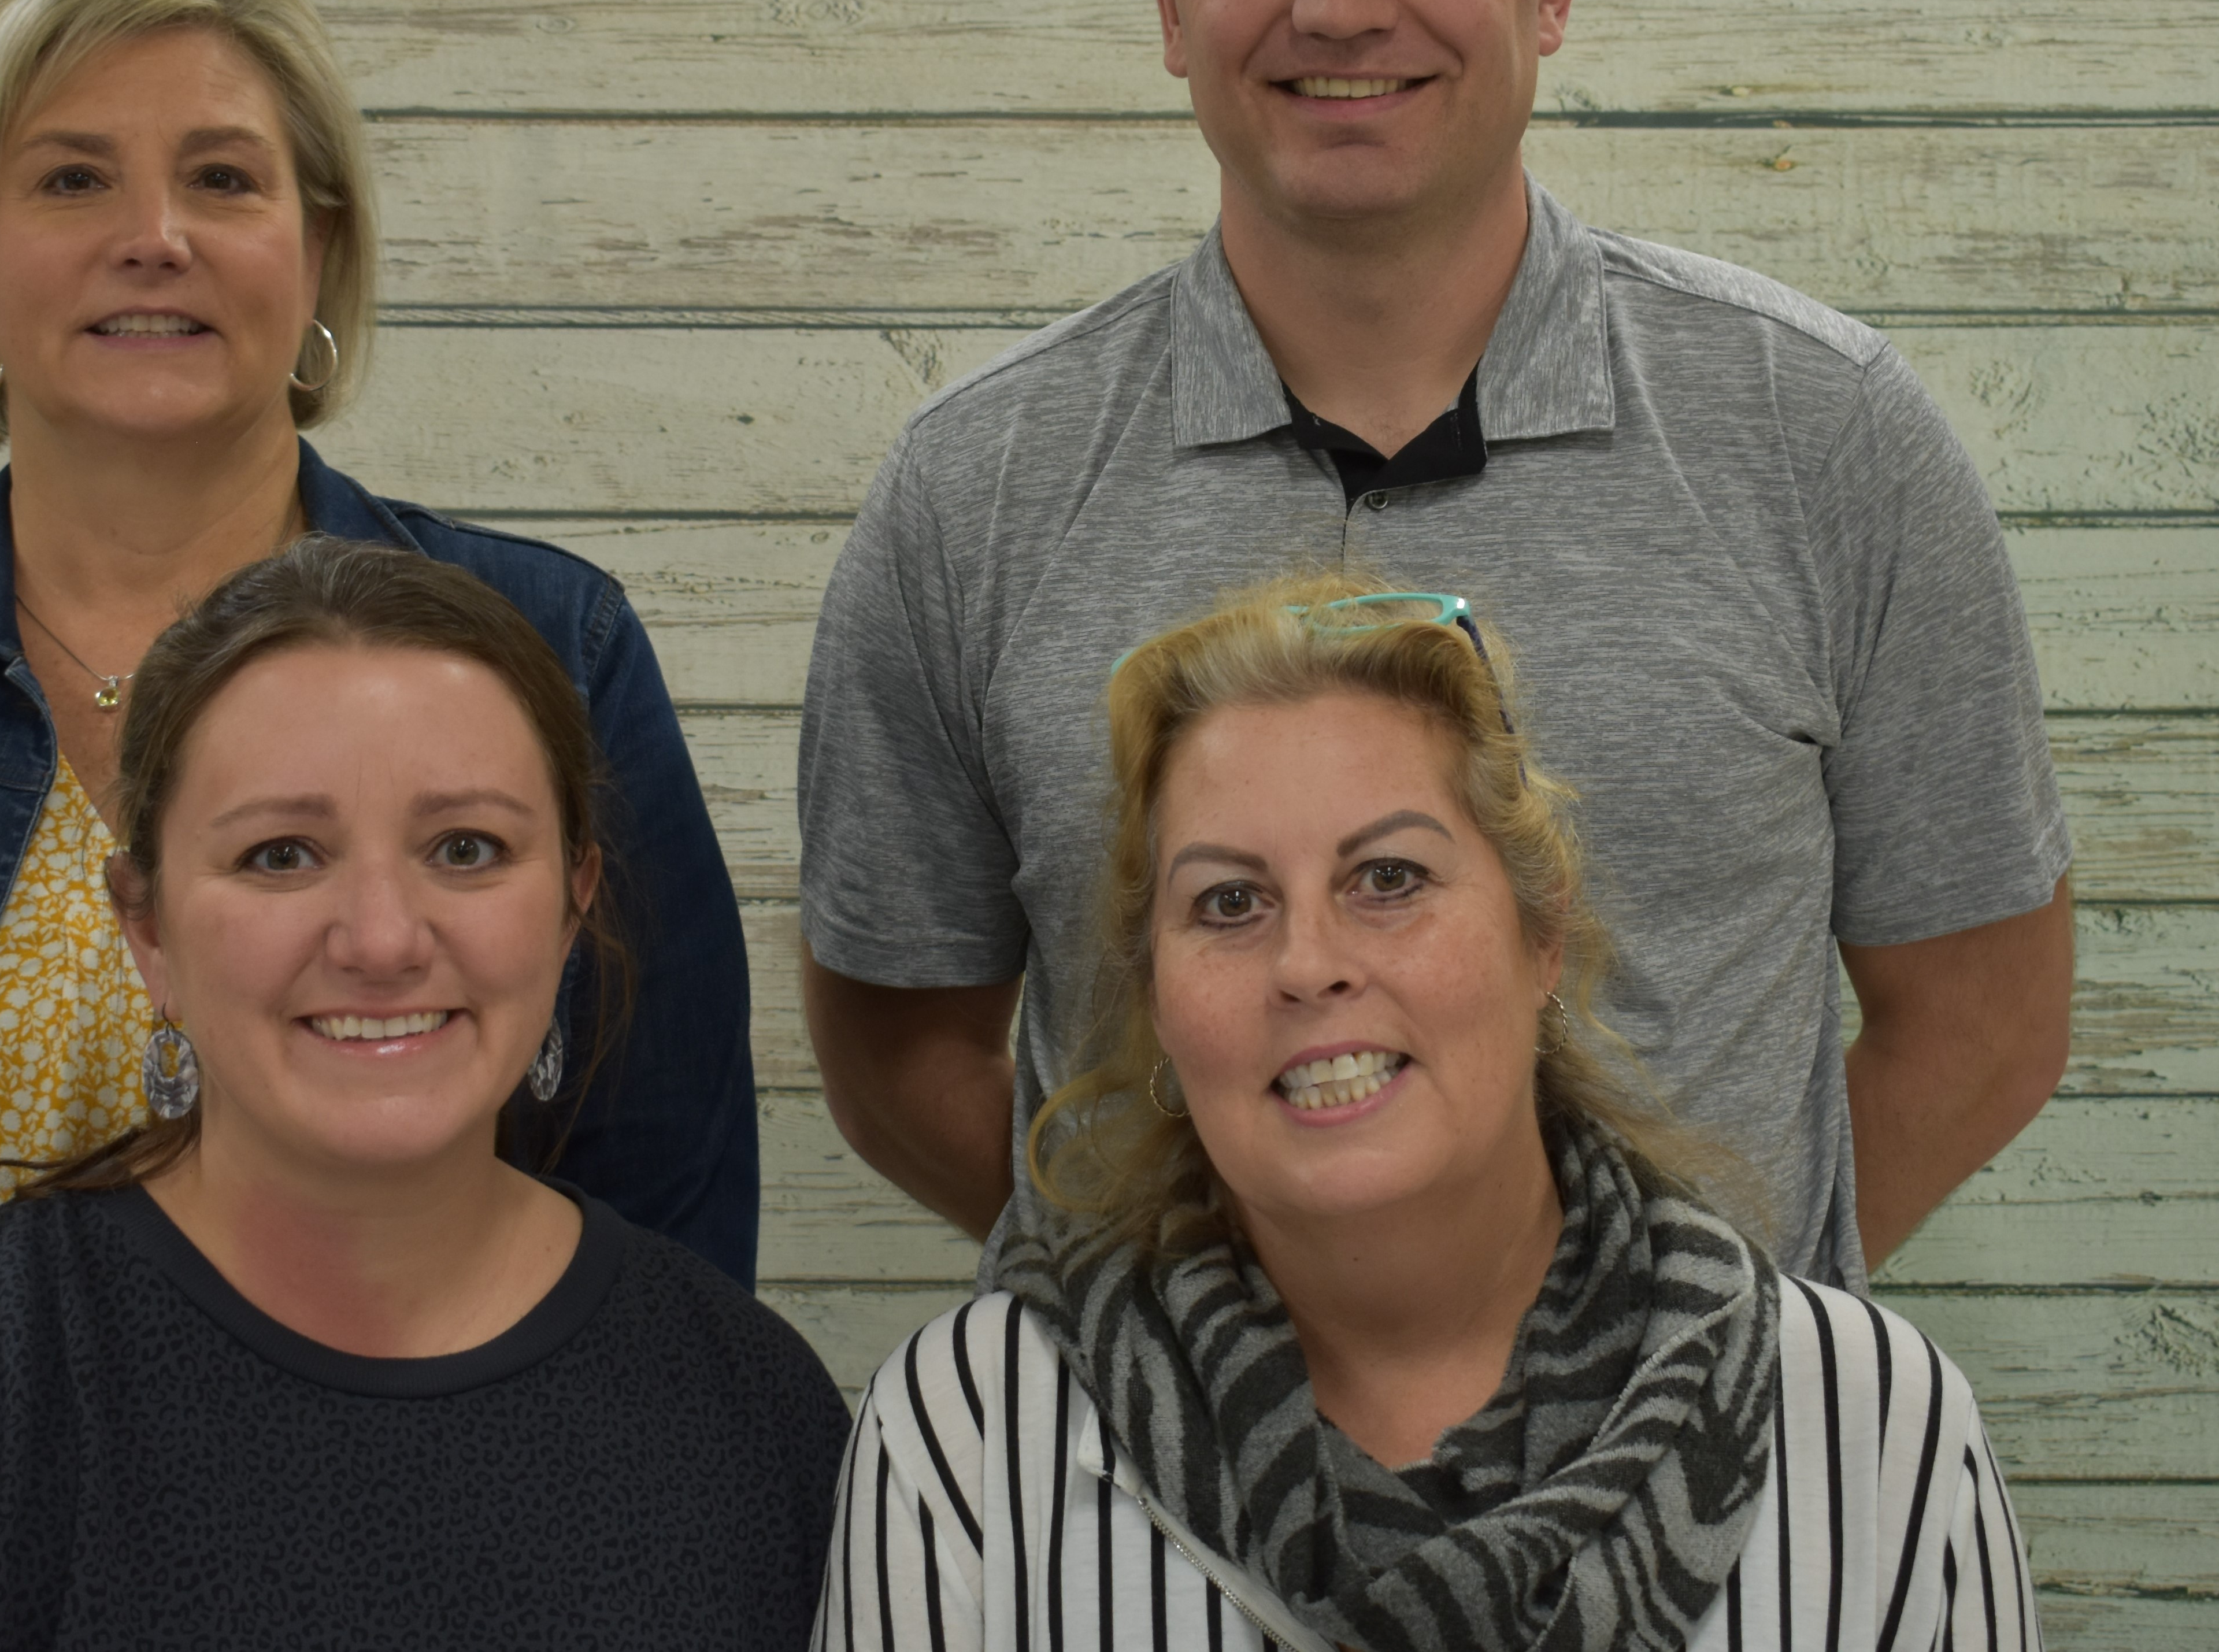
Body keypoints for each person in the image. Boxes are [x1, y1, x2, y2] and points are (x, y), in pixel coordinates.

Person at [795, 0, 2072, 1288]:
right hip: (1151, 1512)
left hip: (1711, 1504)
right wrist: (1187, 1314)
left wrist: (1704, 1332)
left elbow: (1980, 1017)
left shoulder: (1819, 435)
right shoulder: (972, 494)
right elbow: (898, 1043)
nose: (1337, 2)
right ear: (1170, 3)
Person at [0, 0, 758, 1567]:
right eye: (73, 177)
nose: (158, 234)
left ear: (316, 247)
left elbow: (664, 1201)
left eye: (223, 177)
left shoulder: (548, 645)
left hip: (442, 1568)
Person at [0, 538, 846, 1652]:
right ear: (145, 927)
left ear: (575, 901)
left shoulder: (753, 1412)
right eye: (280, 856)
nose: (379, 938)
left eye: (464, 849)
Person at [816, 579, 2042, 1650]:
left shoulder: (1871, 1428)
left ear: (1539, 933)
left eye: (1388, 879)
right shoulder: (967, 1435)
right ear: (1157, 1004)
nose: (1307, 962)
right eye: (1229, 902)